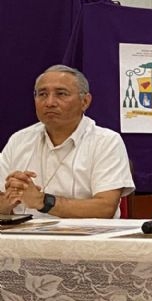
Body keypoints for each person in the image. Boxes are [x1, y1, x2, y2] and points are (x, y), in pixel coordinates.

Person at [0, 65, 134, 218]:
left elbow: (104, 209)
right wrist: (10, 199)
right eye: (42, 94)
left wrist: (42, 201)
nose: (49, 102)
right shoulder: (19, 140)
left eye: (61, 94)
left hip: (85, 240)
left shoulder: (106, 141)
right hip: (25, 239)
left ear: (85, 101)